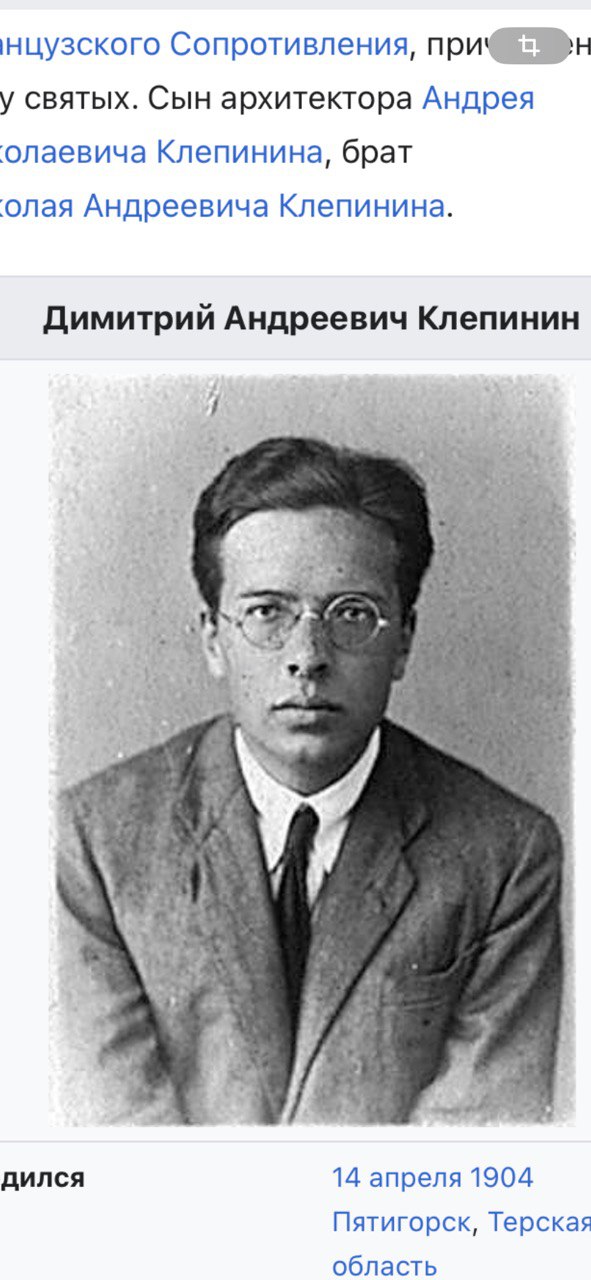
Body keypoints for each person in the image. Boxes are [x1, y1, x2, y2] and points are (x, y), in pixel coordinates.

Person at [57, 436, 562, 1126]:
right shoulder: (94, 842)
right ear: (212, 638)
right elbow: (109, 1140)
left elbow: (475, 1147)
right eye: (267, 612)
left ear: (403, 640)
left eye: (351, 614)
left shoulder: (505, 855)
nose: (307, 657)